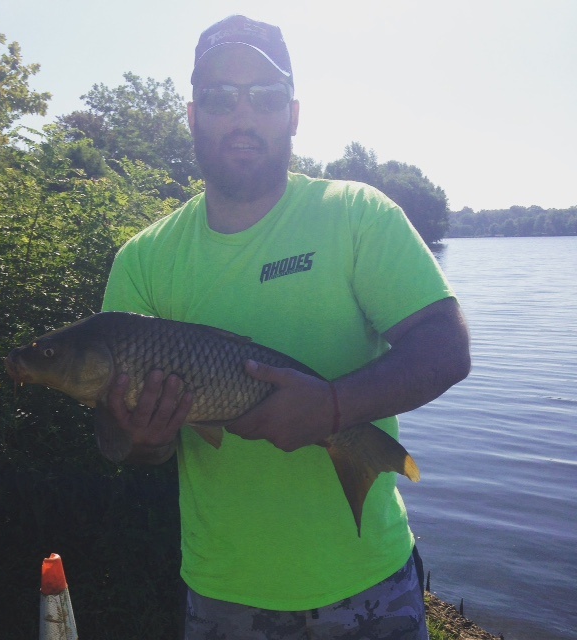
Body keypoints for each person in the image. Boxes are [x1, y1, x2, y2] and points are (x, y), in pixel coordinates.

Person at [102, 14, 471, 640]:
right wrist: (145, 436)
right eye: (219, 97)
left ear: (293, 113)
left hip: (370, 584)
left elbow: (446, 344)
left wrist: (332, 408)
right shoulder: (144, 258)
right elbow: (122, 445)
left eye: (265, 97)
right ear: (192, 115)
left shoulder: (356, 215)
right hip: (224, 595)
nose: (242, 115)